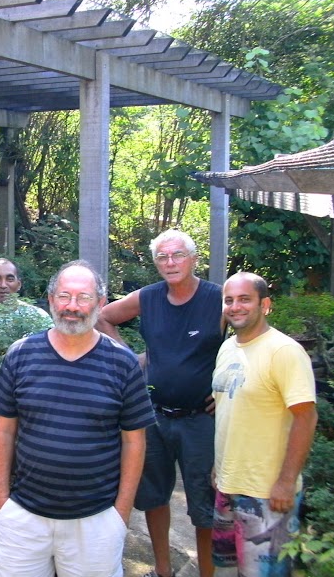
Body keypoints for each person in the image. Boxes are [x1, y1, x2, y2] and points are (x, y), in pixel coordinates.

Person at [0, 259, 156, 576]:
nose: (72, 306)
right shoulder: (21, 354)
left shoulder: (123, 363)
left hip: (96, 522)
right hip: (24, 518)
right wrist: (2, 503)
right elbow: (3, 432)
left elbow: (135, 441)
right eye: (64, 296)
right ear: (51, 300)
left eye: (83, 297)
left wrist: (121, 513)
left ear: (101, 303)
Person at [98, 230, 224, 577]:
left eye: (178, 255)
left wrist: (229, 389)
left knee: (203, 504)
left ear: (194, 258)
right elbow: (102, 317)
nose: (171, 263)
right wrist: (130, 357)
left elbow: (249, 338)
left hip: (201, 418)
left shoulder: (218, 298)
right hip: (152, 415)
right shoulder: (149, 297)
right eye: (163, 257)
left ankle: (207, 573)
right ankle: (163, 570)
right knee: (153, 497)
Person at [211, 272, 317, 576]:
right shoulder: (228, 347)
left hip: (267, 493)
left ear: (265, 304)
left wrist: (286, 481)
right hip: (228, 485)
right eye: (229, 300)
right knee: (226, 569)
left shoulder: (284, 352)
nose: (235, 306)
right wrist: (219, 466)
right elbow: (230, 410)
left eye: (245, 299)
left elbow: (306, 418)